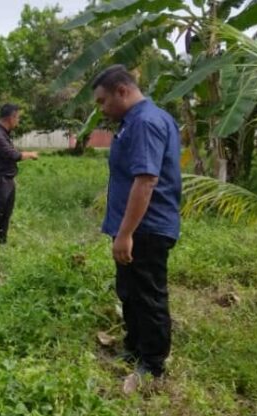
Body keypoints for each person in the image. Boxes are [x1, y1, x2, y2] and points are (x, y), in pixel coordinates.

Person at [91, 65, 182, 391]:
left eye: (103, 102)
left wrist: (126, 233)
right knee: (129, 291)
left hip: (146, 227)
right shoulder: (135, 121)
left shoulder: (145, 122)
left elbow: (146, 180)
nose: (102, 109)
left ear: (122, 91)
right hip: (132, 227)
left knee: (148, 295)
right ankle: (134, 348)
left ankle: (153, 365)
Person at [0, 104, 38, 245]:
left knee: (6, 215)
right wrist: (30, 154)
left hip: (7, 180)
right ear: (10, 117)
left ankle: (1, 244)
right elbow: (12, 155)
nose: (18, 121)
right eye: (17, 117)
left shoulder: (4, 134)